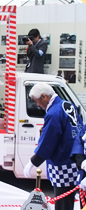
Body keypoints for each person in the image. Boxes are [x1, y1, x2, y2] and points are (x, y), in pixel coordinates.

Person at [23, 82, 83, 210]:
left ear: (44, 96)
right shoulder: (68, 105)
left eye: (37, 101)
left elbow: (48, 141)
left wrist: (33, 161)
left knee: (62, 203)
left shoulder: (54, 113)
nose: (38, 105)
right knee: (71, 199)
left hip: (62, 163)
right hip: (75, 161)